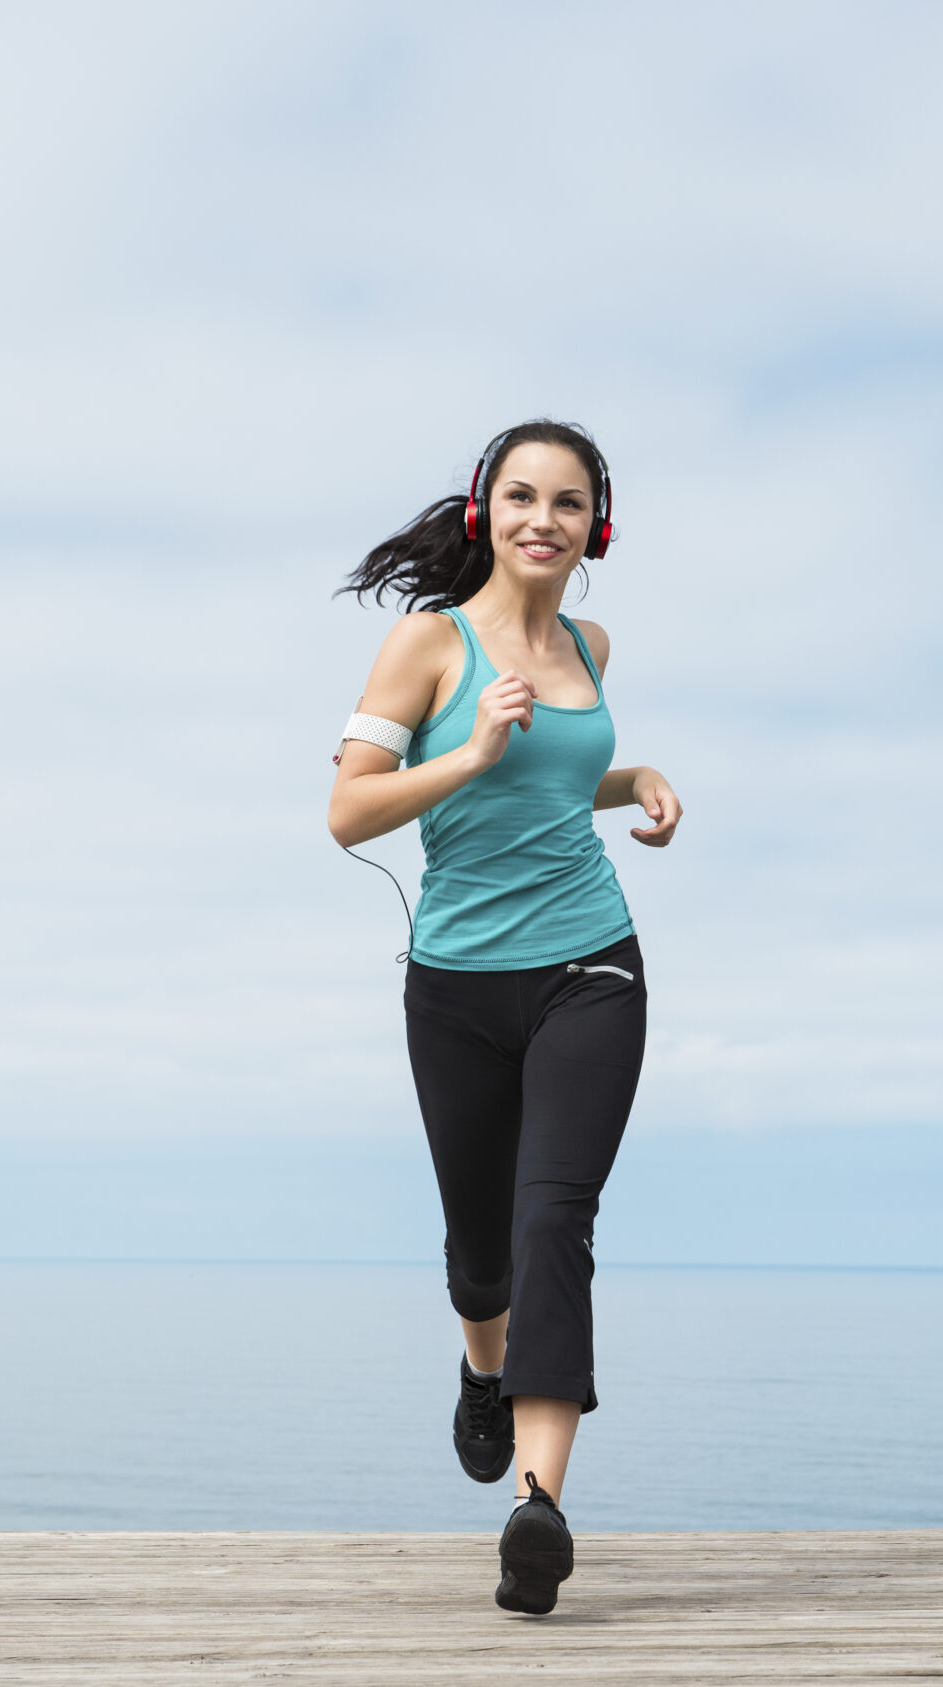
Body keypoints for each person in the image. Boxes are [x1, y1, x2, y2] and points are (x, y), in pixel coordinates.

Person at [328, 419, 682, 1614]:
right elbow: (350, 812)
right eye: (523, 495)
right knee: (482, 1253)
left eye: (569, 501)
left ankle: (539, 1507)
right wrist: (474, 749)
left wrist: (637, 780)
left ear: (597, 527)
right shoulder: (428, 643)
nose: (545, 518)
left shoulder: (591, 644)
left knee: (552, 1220)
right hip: (458, 985)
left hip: (593, 964)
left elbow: (561, 783)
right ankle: (482, 1374)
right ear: (486, 510)